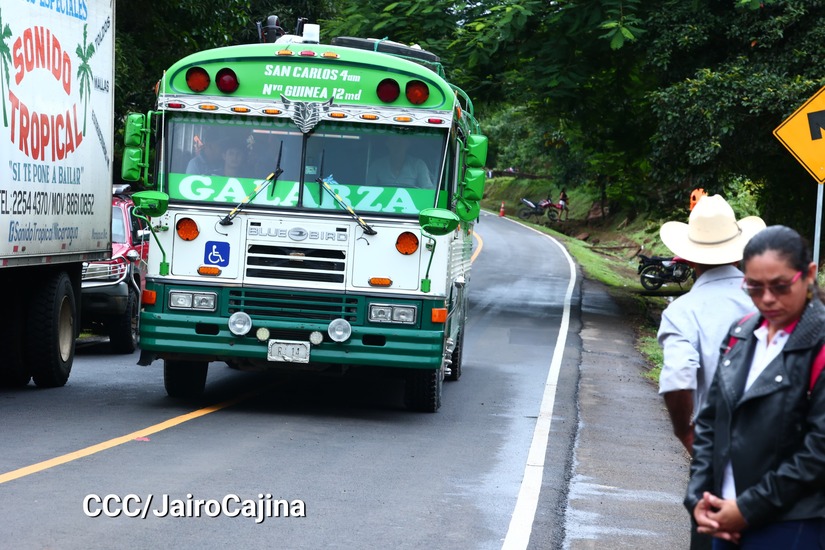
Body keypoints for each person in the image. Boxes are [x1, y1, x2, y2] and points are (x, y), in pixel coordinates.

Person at [687, 225, 825, 548]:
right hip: (723, 518)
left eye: (780, 286)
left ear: (808, 275)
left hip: (792, 526)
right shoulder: (741, 334)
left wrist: (748, 508)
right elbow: (710, 422)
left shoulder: (818, 344)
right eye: (754, 287)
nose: (766, 299)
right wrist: (697, 497)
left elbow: (818, 451)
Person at [656, 194, 765, 550]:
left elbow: (677, 380)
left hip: (719, 458)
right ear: (739, 251)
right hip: (779, 457)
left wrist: (688, 437)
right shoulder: (769, 300)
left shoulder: (683, 312)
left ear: (687, 256)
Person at [367, 135, 433, 188]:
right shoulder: (377, 164)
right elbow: (368, 188)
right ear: (388, 144)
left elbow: (427, 189)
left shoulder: (418, 165)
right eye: (393, 143)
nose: (397, 147)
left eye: (400, 143)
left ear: (407, 144)